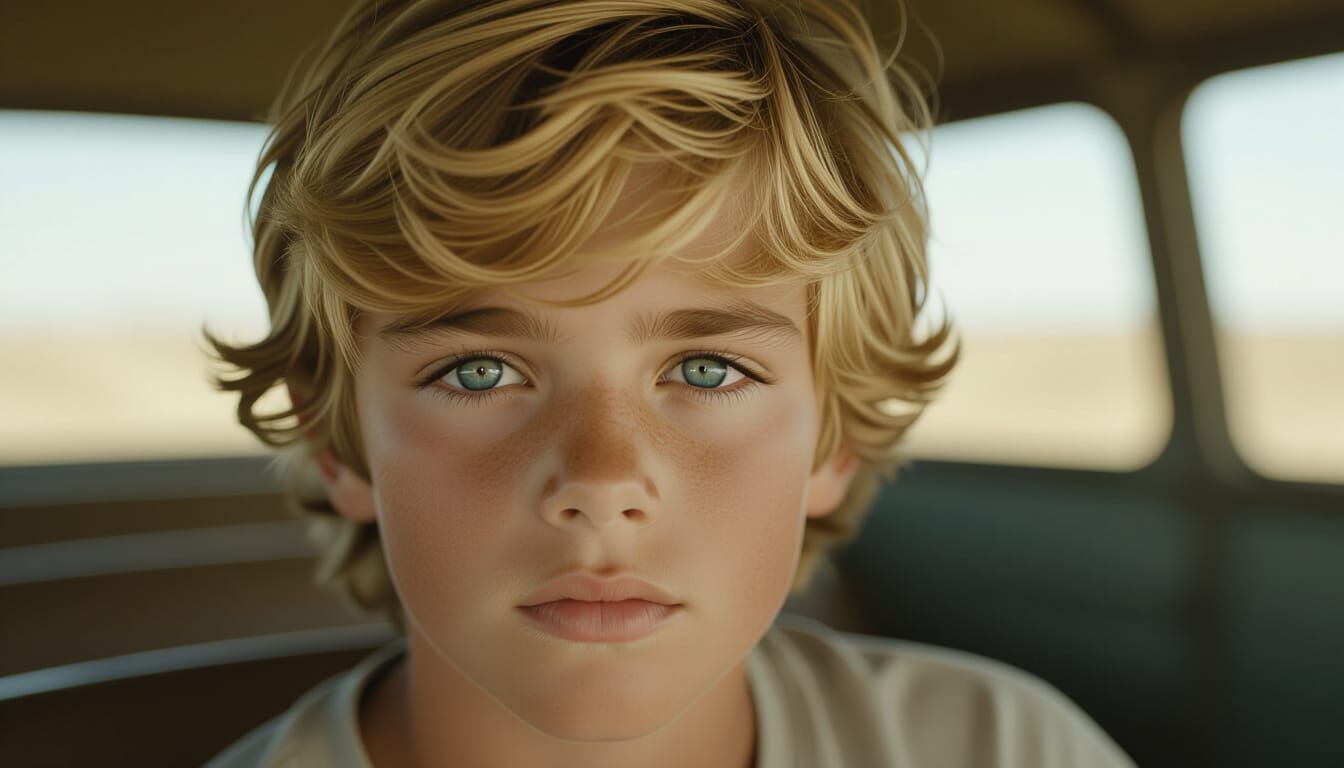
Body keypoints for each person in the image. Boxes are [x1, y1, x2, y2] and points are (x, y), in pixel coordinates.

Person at [204, 0, 1136, 765]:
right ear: (339, 441)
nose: (603, 482)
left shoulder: (1005, 747)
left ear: (832, 438)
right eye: (479, 372)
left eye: (707, 369)